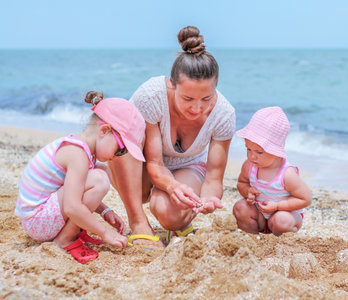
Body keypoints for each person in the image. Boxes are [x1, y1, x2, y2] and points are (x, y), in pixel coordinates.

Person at [109, 26, 235, 248]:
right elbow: (156, 164)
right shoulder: (152, 96)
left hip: (187, 167)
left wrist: (206, 199)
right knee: (120, 134)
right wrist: (171, 186)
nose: (196, 108)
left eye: (206, 98)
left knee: (167, 213)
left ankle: (180, 222)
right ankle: (138, 223)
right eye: (187, 98)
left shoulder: (224, 114)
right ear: (171, 84)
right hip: (145, 163)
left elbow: (214, 178)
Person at [15, 91, 147, 264]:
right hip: (38, 222)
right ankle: (65, 239)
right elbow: (71, 206)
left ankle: (75, 230)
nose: (118, 156)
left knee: (102, 172)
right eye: (121, 149)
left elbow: (73, 188)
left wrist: (104, 210)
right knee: (99, 179)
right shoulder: (77, 154)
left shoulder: (82, 150)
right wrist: (105, 232)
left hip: (41, 216)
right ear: (104, 130)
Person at [232, 106, 312, 236]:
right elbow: (242, 183)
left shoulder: (286, 174)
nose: (252, 156)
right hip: (260, 216)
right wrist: (247, 191)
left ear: (276, 152)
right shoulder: (249, 166)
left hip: (284, 216)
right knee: (240, 207)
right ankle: (253, 238)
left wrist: (277, 206)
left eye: (259, 152)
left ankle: (283, 243)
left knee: (282, 220)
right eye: (248, 149)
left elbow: (305, 199)